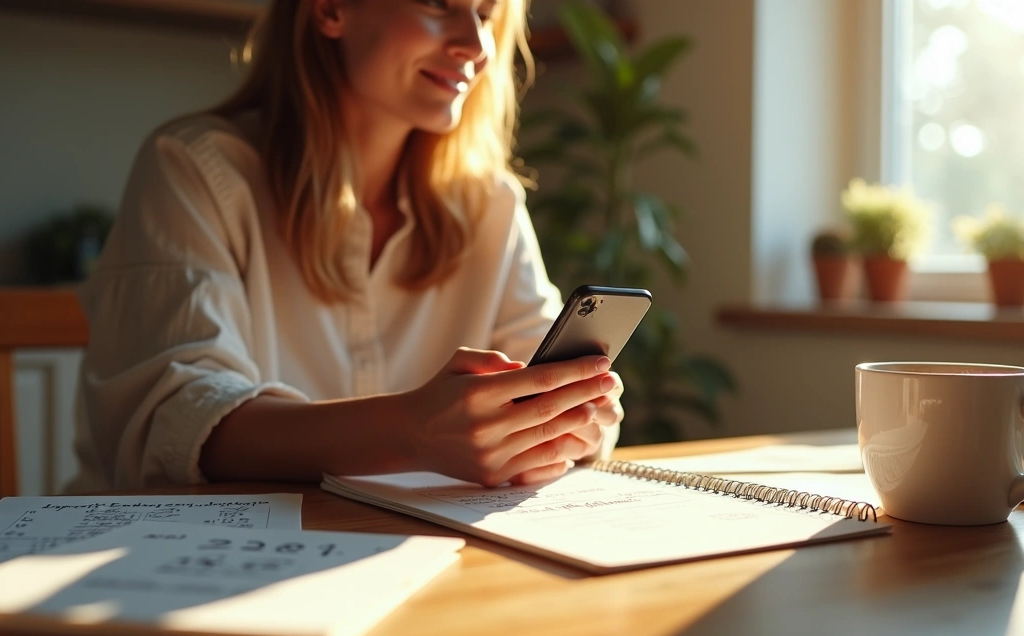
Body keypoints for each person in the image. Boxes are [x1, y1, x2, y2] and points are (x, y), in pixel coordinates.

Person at [66, 0, 623, 493]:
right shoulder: (196, 171)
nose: (475, 45)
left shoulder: (491, 204)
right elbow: (179, 422)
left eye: (484, 14)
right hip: (163, 566)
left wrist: (569, 421)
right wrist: (413, 431)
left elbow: (576, 409)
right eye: (436, 3)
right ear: (330, 8)